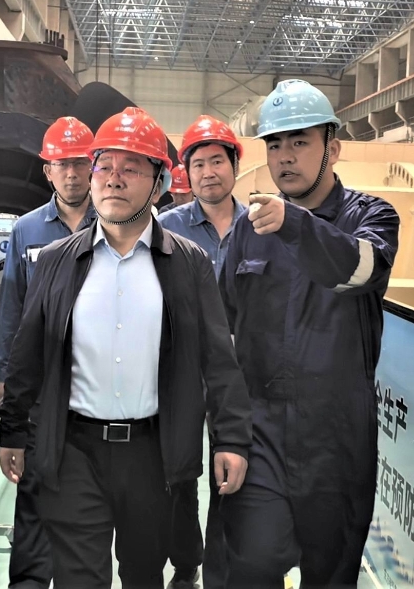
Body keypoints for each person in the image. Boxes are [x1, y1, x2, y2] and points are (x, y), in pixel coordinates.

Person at [0, 107, 253, 589]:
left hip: (153, 455)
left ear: (158, 186)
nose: (113, 179)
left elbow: (218, 360)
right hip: (74, 449)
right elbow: (27, 353)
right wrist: (12, 429)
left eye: (131, 168)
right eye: (104, 167)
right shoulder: (56, 262)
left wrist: (232, 439)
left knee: (143, 573)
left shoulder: (188, 264)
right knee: (78, 578)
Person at [219, 80, 400, 587]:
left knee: (331, 574)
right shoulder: (247, 230)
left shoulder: (372, 217)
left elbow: (362, 270)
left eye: (299, 141)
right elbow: (221, 325)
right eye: (274, 144)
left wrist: (296, 225)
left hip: (336, 441)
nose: (284, 156)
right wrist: (225, 430)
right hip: (261, 435)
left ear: (332, 149)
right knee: (251, 566)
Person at [0, 116, 99, 589]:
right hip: (39, 385)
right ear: (48, 171)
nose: (72, 174)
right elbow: (12, 309)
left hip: (95, 384)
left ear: (93, 165)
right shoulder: (27, 230)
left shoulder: (115, 222)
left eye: (79, 163)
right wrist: (6, 379)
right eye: (62, 164)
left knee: (87, 499)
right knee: (34, 492)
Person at [157, 115, 248, 589]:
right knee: (181, 472)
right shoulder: (165, 230)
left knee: (233, 471)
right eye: (198, 164)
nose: (208, 172)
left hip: (244, 377)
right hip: (183, 372)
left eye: (217, 161)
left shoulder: (261, 226)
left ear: (235, 165)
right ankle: (186, 562)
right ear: (186, 173)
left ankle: (221, 571)